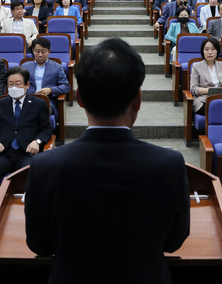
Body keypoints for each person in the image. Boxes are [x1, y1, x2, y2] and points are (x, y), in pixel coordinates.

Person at [25, 37, 189, 281]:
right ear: (138, 99)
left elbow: (39, 244)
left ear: (79, 98)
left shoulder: (44, 165)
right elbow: (174, 241)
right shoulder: (171, 164)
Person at [0, 66, 53, 207]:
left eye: (18, 84)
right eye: (10, 84)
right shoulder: (0, 104)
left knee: (32, 172)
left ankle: (30, 211)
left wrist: (37, 142)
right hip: (3, 153)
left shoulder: (39, 104)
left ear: (27, 85)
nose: (14, 87)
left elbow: (46, 129)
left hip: (26, 153)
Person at [188, 37, 222, 115]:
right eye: (207, 49)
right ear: (203, 51)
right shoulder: (196, 66)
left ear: (217, 51)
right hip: (204, 100)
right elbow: (194, 89)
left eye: (213, 49)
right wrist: (212, 91)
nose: (210, 52)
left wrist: (220, 93)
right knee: (218, 111)